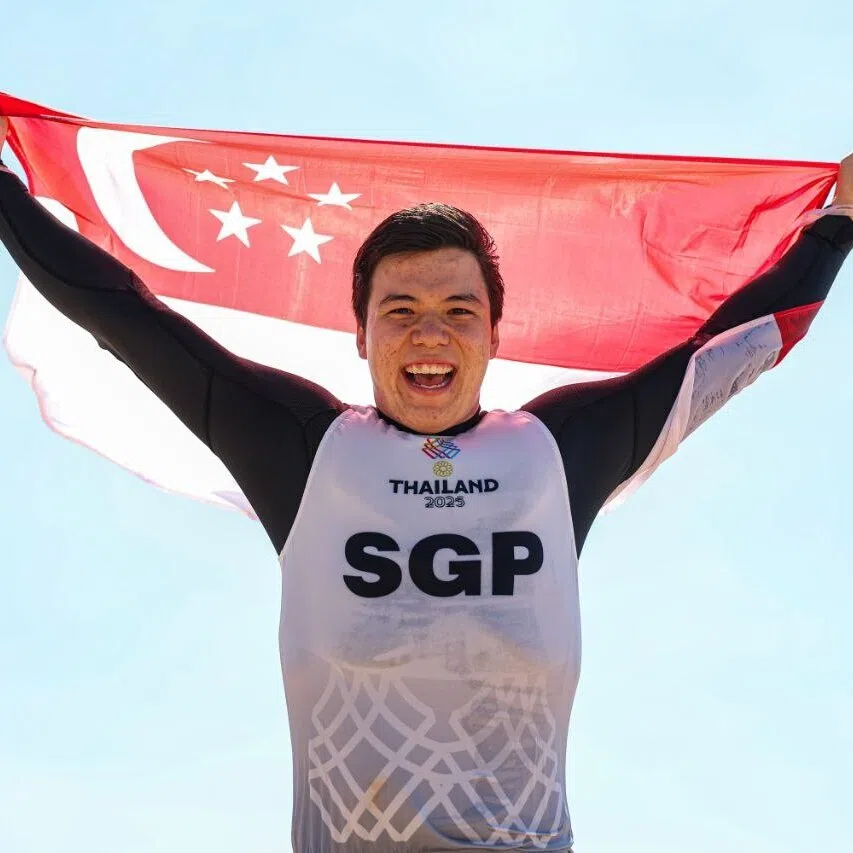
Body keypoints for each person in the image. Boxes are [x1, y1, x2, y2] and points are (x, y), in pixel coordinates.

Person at [1, 113, 851, 852]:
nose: (429, 334)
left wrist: (838, 222)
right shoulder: (303, 448)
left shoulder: (560, 451)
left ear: (494, 332)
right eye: (399, 311)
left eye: (458, 310)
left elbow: (735, 346)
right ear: (361, 335)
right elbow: (125, 316)